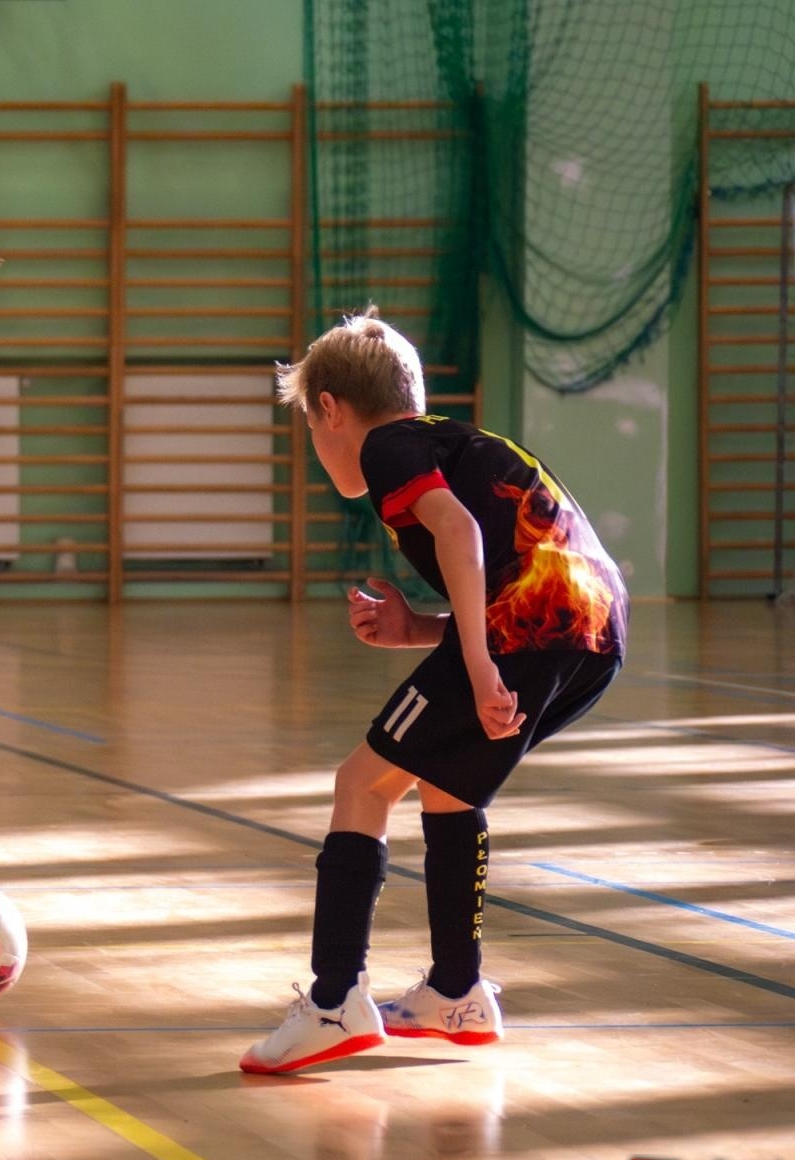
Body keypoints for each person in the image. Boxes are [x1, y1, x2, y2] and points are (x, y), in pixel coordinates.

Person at [240, 310, 628, 1074]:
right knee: (447, 784)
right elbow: (516, 570)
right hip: (593, 630)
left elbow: (460, 536)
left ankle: (332, 1001)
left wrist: (481, 667)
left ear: (329, 410)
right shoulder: (453, 442)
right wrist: (419, 628)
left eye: (311, 429)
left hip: (530, 630)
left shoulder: (389, 446)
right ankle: (456, 993)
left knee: (363, 782)